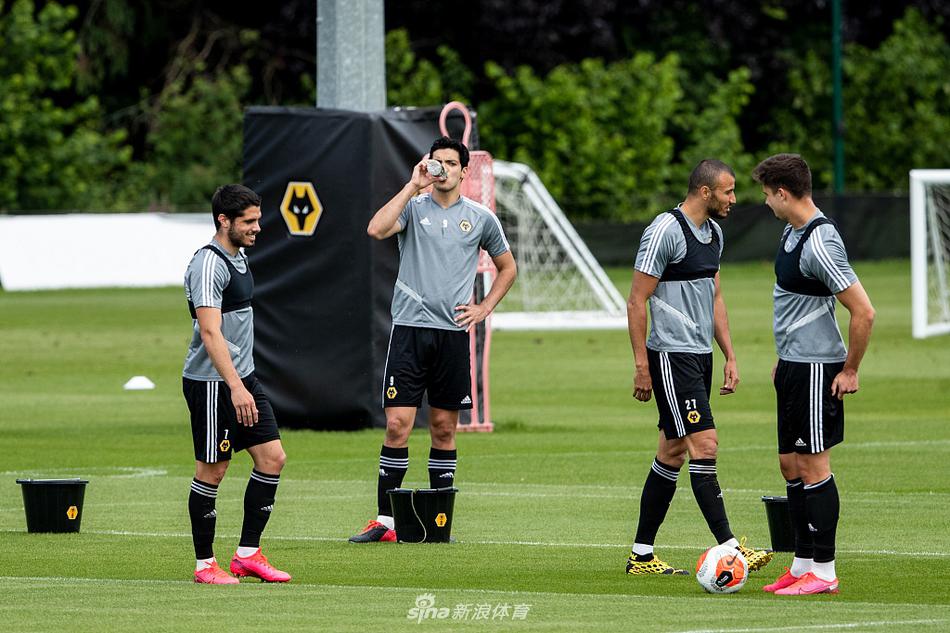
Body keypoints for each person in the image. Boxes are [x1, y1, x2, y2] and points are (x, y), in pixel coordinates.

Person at [349, 136, 517, 542]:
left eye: (449, 163)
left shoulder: (480, 217)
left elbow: (507, 268)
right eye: (435, 161)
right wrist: (412, 184)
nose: (442, 169)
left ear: (464, 170)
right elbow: (375, 229)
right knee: (397, 426)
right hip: (409, 332)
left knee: (444, 429)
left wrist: (483, 307)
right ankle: (386, 521)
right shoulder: (412, 206)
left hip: (452, 337)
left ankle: (439, 524)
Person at [625, 159, 774, 575]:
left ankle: (641, 555)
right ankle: (731, 547)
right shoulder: (664, 231)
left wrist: (729, 354)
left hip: (700, 357)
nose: (733, 198)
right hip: (670, 356)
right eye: (728, 191)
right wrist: (642, 366)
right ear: (705, 192)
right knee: (704, 444)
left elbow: (716, 296)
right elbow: (637, 300)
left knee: (671, 452)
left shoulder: (715, 234)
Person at [752, 154, 874, 595]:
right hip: (792, 365)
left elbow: (863, 312)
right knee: (790, 465)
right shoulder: (791, 231)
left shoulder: (821, 242)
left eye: (767, 195)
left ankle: (824, 572)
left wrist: (851, 369)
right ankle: (802, 561)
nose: (766, 203)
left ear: (783, 193)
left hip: (818, 368)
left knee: (813, 466)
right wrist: (783, 358)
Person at [182, 184, 291, 583]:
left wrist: (243, 382)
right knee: (213, 469)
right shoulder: (208, 264)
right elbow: (211, 333)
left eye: (258, 219)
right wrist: (235, 386)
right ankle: (205, 565)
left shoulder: (239, 257)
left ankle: (247, 554)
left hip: (241, 378)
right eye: (249, 221)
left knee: (271, 458)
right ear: (223, 221)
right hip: (214, 383)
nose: (257, 228)